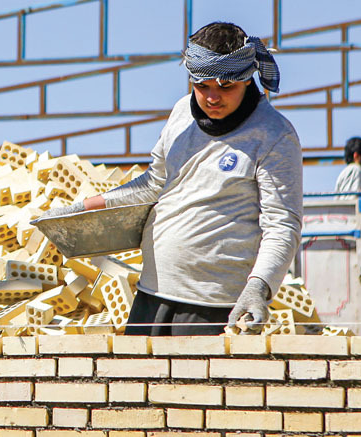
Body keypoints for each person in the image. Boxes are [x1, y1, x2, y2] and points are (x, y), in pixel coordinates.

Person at [44, 22, 303, 335]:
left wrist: (258, 289)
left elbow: (282, 225)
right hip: (153, 294)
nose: (212, 97)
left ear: (248, 80)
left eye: (226, 87)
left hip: (214, 305)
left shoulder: (273, 135)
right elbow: (153, 184)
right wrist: (85, 208)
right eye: (202, 85)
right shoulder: (182, 114)